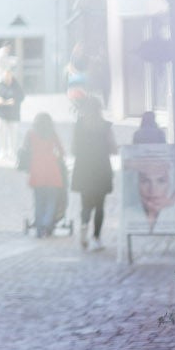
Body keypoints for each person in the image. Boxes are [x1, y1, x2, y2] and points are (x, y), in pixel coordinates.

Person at [69, 95, 117, 251]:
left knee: (86, 204)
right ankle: (96, 237)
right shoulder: (105, 126)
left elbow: (74, 149)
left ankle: (83, 228)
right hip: (101, 168)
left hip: (83, 168)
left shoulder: (79, 125)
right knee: (100, 206)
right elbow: (113, 148)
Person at [19, 111, 67, 238]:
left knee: (39, 200)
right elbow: (62, 152)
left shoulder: (31, 134)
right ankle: (47, 224)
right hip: (52, 170)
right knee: (52, 200)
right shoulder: (52, 133)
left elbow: (25, 150)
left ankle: (39, 227)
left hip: (37, 170)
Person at [0, 70, 25, 162]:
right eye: (5, 78)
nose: (7, 79)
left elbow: (21, 97)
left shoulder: (16, 86)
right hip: (1, 112)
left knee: (13, 132)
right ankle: (3, 149)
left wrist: (14, 100)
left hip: (13, 113)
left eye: (8, 77)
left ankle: (12, 151)